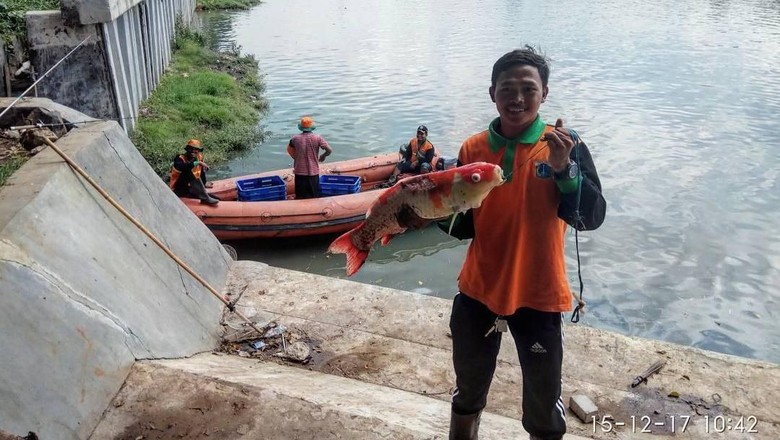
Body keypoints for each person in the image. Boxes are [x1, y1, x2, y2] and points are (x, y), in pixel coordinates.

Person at [399, 47, 606, 439]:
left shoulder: (566, 145)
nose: (517, 99)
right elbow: (463, 224)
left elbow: (590, 218)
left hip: (540, 292)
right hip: (479, 288)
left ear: (544, 93)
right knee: (468, 389)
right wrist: (421, 215)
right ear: (492, 92)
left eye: (528, 89)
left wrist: (565, 171)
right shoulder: (473, 150)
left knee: (544, 405)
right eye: (507, 89)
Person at [286, 116, 333, 199]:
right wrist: (323, 156)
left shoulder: (294, 139)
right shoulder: (318, 138)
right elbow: (329, 150)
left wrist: (297, 158)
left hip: (299, 172)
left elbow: (289, 150)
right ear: (311, 127)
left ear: (301, 127)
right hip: (313, 172)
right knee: (314, 196)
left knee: (300, 196)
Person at [169, 139, 219, 205]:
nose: (193, 151)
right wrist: (197, 163)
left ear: (198, 151)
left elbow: (201, 173)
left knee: (217, 198)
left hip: (190, 188)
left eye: (196, 149)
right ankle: (204, 197)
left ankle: (204, 197)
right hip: (178, 189)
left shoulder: (199, 157)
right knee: (188, 170)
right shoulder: (179, 158)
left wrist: (204, 183)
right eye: (191, 149)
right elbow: (182, 167)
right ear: (187, 149)